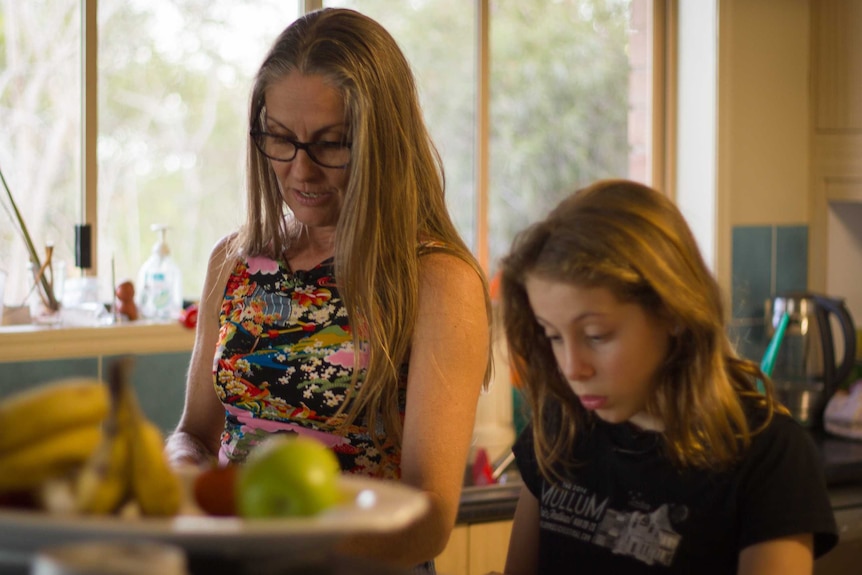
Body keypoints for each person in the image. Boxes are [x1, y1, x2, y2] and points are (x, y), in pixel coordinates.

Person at [165, 8, 491, 570]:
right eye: (280, 139)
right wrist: (183, 476)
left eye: (331, 144)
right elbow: (193, 432)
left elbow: (430, 519)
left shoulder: (436, 280)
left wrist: (282, 544)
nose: (300, 171)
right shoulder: (234, 261)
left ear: (382, 142)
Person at [495, 179, 838, 575]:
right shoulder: (560, 425)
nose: (572, 368)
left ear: (673, 312)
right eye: (553, 336)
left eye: (596, 335)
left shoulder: (770, 457)